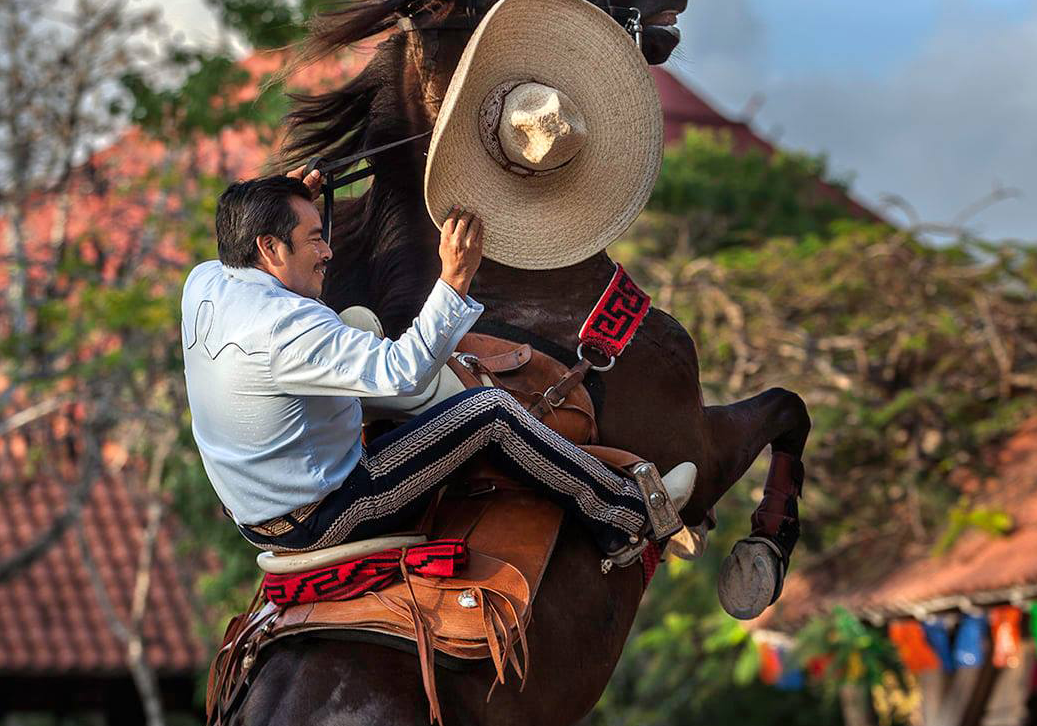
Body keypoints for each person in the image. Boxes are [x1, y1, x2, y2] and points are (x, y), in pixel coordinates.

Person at [180, 175, 693, 570]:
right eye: (314, 238)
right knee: (487, 411)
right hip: (321, 517)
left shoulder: (204, 281)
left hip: (255, 512)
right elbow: (401, 373)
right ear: (270, 248)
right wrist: (453, 279)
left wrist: (289, 198)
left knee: (358, 323)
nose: (328, 250)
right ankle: (625, 517)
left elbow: (253, 244)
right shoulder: (288, 325)